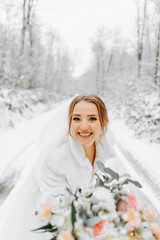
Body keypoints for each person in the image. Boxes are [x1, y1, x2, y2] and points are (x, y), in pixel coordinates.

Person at [0, 94, 120, 240]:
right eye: (76, 118)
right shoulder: (54, 161)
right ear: (69, 122)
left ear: (103, 122)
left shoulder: (106, 149)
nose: (84, 126)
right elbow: (58, 210)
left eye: (92, 118)